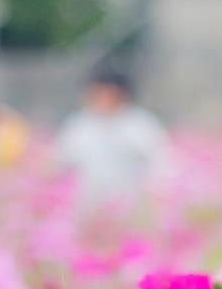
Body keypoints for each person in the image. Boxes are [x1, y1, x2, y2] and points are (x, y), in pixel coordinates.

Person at [55, 68, 169, 205]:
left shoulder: (140, 125)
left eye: (110, 94)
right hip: (86, 206)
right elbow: (61, 164)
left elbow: (161, 164)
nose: (104, 99)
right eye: (98, 93)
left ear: (123, 95)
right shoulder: (78, 126)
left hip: (128, 204)